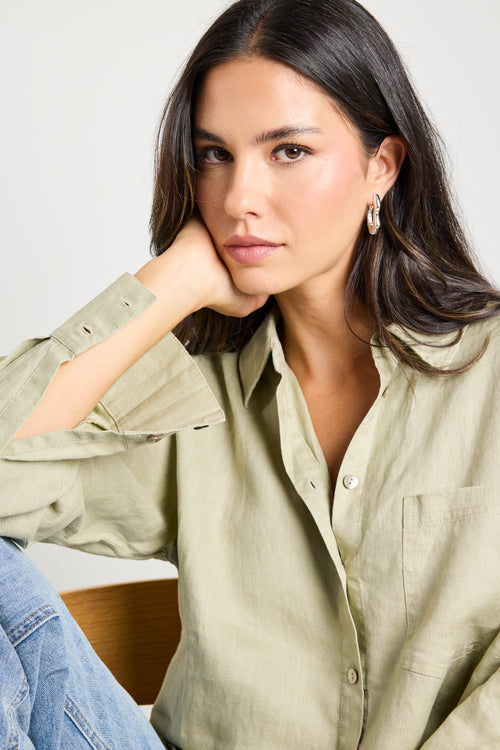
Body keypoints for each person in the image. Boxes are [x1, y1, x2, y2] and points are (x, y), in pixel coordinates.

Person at [1, 0, 499, 747]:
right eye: (214, 155)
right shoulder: (191, 400)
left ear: (381, 167)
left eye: (288, 151)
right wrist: (171, 284)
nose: (239, 200)